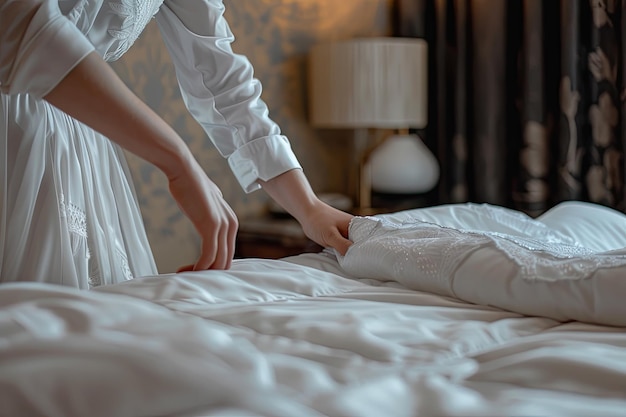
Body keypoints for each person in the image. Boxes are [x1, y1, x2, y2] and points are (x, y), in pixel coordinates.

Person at [0, 0, 354, 289]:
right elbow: (20, 25)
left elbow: (222, 83)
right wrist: (178, 161)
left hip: (74, 143)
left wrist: (307, 206)